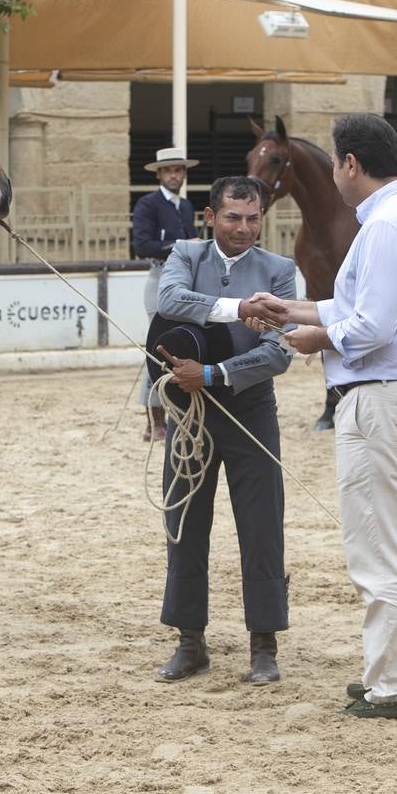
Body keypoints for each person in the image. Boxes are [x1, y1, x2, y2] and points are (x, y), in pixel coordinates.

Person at [245, 114, 397, 719]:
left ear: (351, 164)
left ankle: (392, 687)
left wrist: (313, 338)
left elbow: (368, 327)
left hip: (383, 401)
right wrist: (295, 309)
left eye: (336, 162)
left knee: (379, 549)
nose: (334, 173)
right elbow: (358, 304)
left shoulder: (385, 226)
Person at [151, 175, 296, 686]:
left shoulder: (279, 270)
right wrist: (240, 310)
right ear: (210, 217)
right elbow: (169, 300)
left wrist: (212, 374)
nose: (244, 228)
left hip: (250, 406)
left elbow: (279, 351)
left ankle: (264, 644)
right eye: (233, 217)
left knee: (261, 526)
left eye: (253, 218)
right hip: (190, 414)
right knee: (185, 522)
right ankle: (190, 641)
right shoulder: (187, 256)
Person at [132, 147, 201, 441]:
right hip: (160, 277)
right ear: (159, 174)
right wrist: (183, 245)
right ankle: (154, 421)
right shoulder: (147, 204)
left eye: (179, 170)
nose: (174, 175)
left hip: (184, 279)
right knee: (159, 349)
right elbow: (142, 245)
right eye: (169, 170)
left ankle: (173, 414)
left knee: (179, 347)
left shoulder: (185, 206)